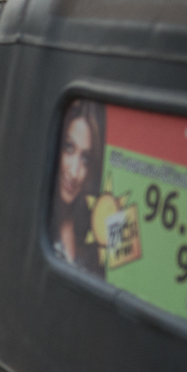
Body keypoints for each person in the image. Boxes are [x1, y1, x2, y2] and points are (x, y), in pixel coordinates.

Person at [50, 99, 106, 278]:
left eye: (85, 159)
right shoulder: (42, 225)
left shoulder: (92, 239)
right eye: (69, 148)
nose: (74, 172)